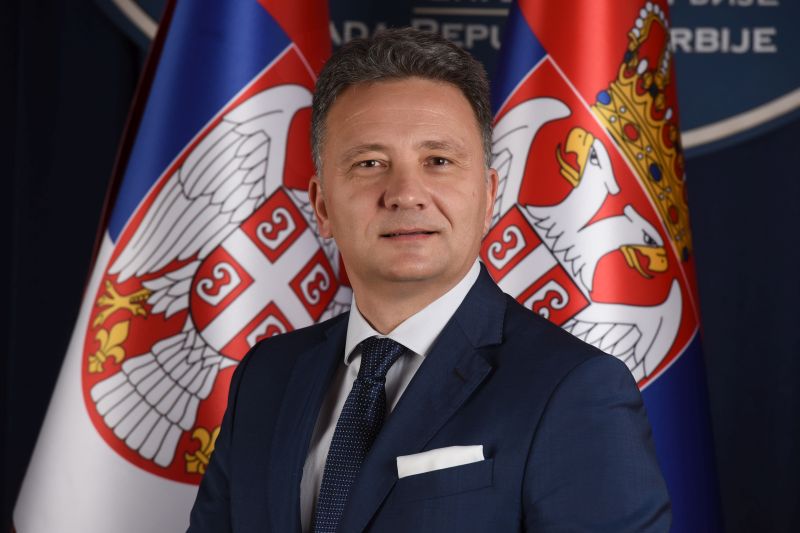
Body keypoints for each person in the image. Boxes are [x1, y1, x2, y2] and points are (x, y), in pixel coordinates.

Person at [187, 28, 671, 533]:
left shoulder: (573, 388)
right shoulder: (267, 376)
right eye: (369, 163)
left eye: (438, 161)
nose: (405, 193)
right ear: (322, 205)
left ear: (488, 196)